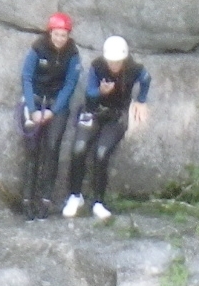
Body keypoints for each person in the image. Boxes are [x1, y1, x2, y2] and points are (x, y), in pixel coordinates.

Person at [63, 35, 149, 222]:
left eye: (117, 62)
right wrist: (100, 92)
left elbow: (146, 79)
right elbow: (90, 93)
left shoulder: (134, 69)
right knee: (79, 148)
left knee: (101, 152)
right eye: (111, 61)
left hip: (116, 115)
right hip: (93, 111)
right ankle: (75, 196)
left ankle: (98, 202)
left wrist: (141, 100)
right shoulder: (98, 67)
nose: (114, 65)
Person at [19, 13, 81, 220]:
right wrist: (32, 108)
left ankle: (45, 198)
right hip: (35, 100)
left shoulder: (72, 54)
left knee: (52, 147)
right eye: (56, 34)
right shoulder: (38, 49)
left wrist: (53, 112)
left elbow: (70, 84)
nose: (60, 39)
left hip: (57, 104)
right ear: (50, 33)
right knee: (32, 148)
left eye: (63, 35)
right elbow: (27, 77)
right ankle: (27, 199)